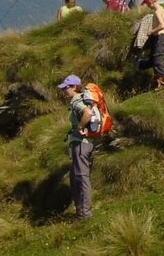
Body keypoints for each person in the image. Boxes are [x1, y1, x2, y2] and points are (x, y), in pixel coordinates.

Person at [57, 74, 94, 220]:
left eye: (66, 87)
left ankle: (84, 214)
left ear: (74, 87)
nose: (64, 90)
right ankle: (80, 211)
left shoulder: (77, 101)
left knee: (81, 177)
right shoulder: (82, 99)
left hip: (81, 145)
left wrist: (80, 126)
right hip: (86, 143)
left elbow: (88, 113)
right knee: (75, 177)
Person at [136, 0, 164, 89]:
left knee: (158, 59)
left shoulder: (156, 12)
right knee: (153, 57)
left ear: (151, 2)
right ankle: (156, 79)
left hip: (160, 37)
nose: (147, 5)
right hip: (163, 36)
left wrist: (151, 31)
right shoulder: (161, 8)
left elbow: (162, 24)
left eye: (147, 3)